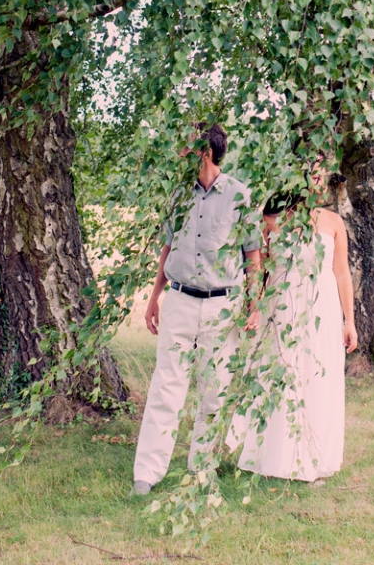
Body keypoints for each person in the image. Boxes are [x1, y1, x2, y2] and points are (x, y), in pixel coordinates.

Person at [132, 123, 261, 495]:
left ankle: (201, 470)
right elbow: (167, 250)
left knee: (214, 390)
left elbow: (252, 257)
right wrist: (154, 297)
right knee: (165, 387)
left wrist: (253, 304)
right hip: (179, 301)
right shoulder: (177, 195)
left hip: (223, 307)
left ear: (205, 151)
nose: (182, 154)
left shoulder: (241, 195)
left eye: (188, 148)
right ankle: (147, 473)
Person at [228, 187, 357, 482]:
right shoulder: (272, 217)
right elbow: (259, 267)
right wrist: (254, 306)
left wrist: (348, 320)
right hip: (282, 306)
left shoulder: (333, 222)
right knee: (282, 378)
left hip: (321, 309)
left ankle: (315, 456)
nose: (316, 176)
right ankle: (275, 457)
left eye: (321, 169)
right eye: (310, 167)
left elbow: (341, 272)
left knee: (317, 379)